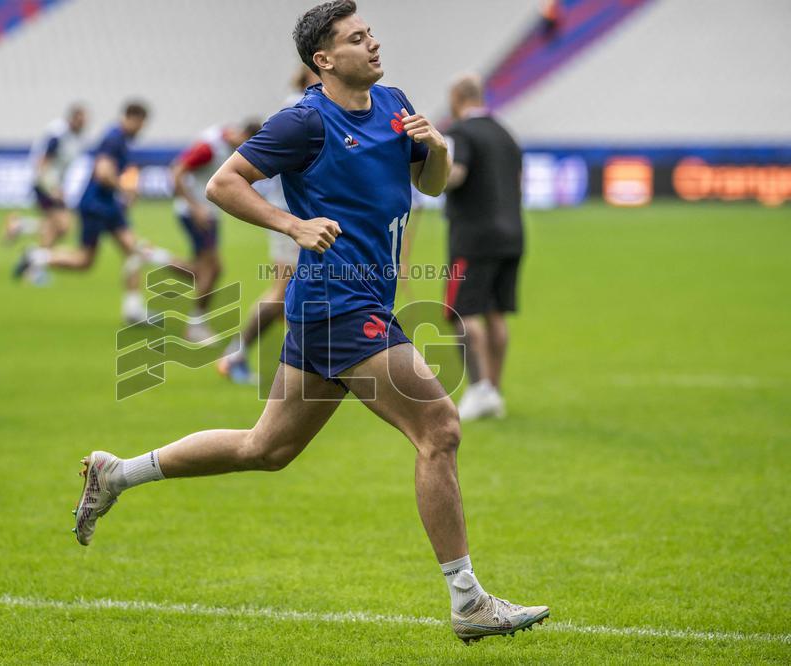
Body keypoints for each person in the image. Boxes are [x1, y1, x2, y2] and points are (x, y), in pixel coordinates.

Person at [71, 1, 547, 644]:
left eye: (371, 33)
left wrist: (433, 149)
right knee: (440, 426)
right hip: (337, 307)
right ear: (324, 60)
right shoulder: (303, 122)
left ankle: (116, 472)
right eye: (357, 38)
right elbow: (223, 183)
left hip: (355, 306)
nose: (373, 44)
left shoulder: (395, 103)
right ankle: (468, 601)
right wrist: (292, 225)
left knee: (265, 448)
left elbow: (430, 188)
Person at [14, 102, 174, 322]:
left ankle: (133, 310)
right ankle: (38, 256)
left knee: (131, 252)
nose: (142, 129)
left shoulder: (118, 138)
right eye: (142, 123)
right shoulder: (114, 138)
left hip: (107, 205)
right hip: (97, 205)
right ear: (134, 118)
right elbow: (102, 173)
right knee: (84, 260)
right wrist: (124, 188)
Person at [218, 65, 319, 385]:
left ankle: (301, 365)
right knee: (283, 292)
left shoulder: (316, 105)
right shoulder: (298, 109)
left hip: (307, 214)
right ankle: (237, 354)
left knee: (304, 291)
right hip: (292, 213)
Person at [442, 75, 525, 421]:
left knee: (462, 312)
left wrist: (426, 175)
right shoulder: (506, 134)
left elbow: (455, 175)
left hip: (473, 237)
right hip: (513, 234)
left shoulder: (461, 133)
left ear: (458, 98)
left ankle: (478, 389)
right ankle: (494, 390)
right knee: (496, 313)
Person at [171, 121, 261, 341]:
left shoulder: (226, 142)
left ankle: (154, 257)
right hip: (197, 215)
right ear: (246, 136)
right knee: (213, 269)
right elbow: (177, 171)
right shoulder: (211, 147)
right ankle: (195, 325)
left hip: (208, 214)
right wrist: (194, 208)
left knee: (204, 271)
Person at [4, 104, 88, 271]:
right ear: (72, 118)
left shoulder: (75, 138)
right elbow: (43, 162)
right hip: (45, 184)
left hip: (54, 184)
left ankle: (25, 238)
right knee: (62, 225)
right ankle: (34, 260)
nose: (83, 124)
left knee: (55, 228)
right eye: (80, 120)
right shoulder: (58, 135)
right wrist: (52, 188)